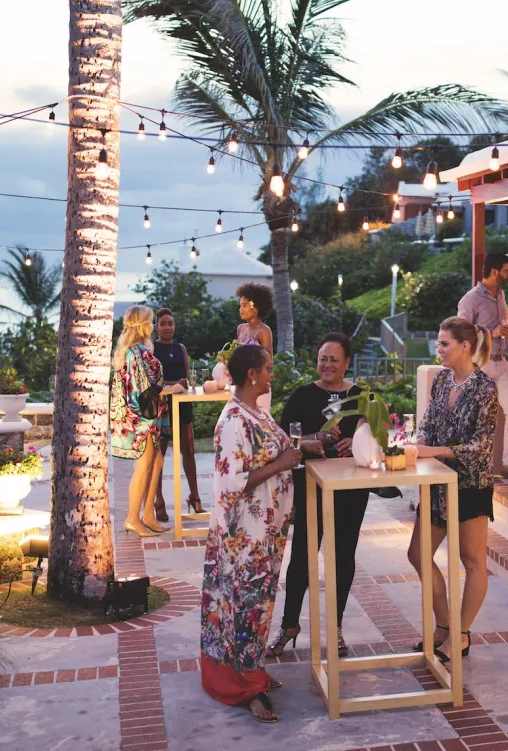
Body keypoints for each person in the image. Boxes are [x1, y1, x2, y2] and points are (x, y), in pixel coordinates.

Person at [200, 345, 299, 723]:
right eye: (268, 369)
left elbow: (276, 451)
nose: (272, 373)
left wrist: (300, 449)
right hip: (244, 535)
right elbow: (231, 483)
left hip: (265, 531)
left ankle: (251, 671)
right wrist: (281, 464)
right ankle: (246, 688)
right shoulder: (232, 421)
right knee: (244, 606)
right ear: (253, 374)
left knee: (258, 605)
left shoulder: (256, 412)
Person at [405, 317, 499, 663]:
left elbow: (482, 447)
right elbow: (428, 422)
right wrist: (420, 445)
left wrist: (437, 452)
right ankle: (445, 626)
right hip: (435, 483)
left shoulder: (485, 388)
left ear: (465, 347)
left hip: (470, 484)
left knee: (472, 560)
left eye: (444, 344)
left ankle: (460, 635)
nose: (438, 349)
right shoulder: (441, 379)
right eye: (438, 343)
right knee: (418, 554)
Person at [268, 333, 365, 658]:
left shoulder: (360, 396)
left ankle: (334, 628)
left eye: (334, 359)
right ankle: (289, 624)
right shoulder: (302, 396)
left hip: (351, 491)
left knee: (342, 557)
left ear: (347, 363)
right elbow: (282, 442)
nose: (327, 364)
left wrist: (359, 442)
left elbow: (377, 436)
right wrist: (312, 438)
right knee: (302, 559)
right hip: (309, 487)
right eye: (323, 358)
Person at [109, 305, 171, 537]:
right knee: (144, 466)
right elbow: (146, 390)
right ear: (143, 324)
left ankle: (148, 515)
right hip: (142, 419)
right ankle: (133, 518)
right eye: (151, 321)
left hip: (141, 417)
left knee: (156, 463)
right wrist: (171, 388)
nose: (154, 326)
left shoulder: (131, 351)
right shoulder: (137, 353)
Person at [456, 253, 508, 472]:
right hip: (480, 364)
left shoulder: (501, 295)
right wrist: (490, 333)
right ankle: (472, 467)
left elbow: (506, 325)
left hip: (501, 363)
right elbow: (461, 332)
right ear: (494, 272)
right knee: (476, 419)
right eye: (505, 270)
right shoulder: (470, 299)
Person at [152, 308, 202, 520]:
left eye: (170, 324)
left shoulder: (181, 348)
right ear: (156, 326)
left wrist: (189, 385)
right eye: (163, 324)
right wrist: (174, 384)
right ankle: (159, 500)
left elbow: (188, 377)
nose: (167, 328)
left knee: (188, 448)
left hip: (182, 403)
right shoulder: (151, 348)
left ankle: (195, 497)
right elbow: (152, 381)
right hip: (162, 404)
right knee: (160, 452)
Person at [236, 282, 275, 350]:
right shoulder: (241, 328)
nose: (240, 309)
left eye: (244, 305)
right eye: (240, 306)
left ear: (256, 308)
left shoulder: (264, 331)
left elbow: (268, 359)